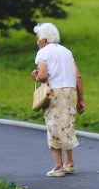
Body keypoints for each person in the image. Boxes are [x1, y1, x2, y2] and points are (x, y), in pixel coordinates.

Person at [30, 23, 85, 177]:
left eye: (38, 38)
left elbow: (43, 76)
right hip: (70, 92)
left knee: (53, 127)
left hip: (55, 93)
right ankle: (69, 163)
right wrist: (81, 99)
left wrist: (34, 76)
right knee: (66, 125)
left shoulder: (43, 53)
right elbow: (78, 77)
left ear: (44, 39)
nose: (37, 42)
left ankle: (58, 166)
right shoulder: (67, 52)